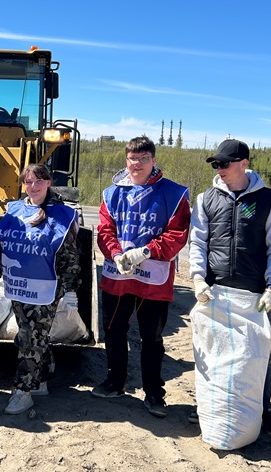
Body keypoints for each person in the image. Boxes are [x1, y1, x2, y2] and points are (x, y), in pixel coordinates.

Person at [188, 138, 271, 438]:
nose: (219, 169)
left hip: (253, 294)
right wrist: (197, 278)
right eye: (216, 164)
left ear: (244, 163)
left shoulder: (269, 200)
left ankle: (264, 410)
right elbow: (198, 242)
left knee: (257, 354)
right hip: (215, 291)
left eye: (224, 164)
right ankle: (210, 407)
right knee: (211, 352)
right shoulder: (206, 199)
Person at [92, 135, 190, 418]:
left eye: (143, 159)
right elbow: (105, 230)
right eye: (133, 159)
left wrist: (145, 252)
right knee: (113, 330)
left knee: (151, 337)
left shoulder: (172, 194)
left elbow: (177, 235)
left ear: (153, 160)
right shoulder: (113, 193)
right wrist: (115, 253)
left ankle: (154, 393)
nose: (137, 164)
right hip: (118, 274)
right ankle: (115, 381)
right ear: (126, 160)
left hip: (153, 278)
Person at [0, 164, 81, 414]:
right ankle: (42, 380)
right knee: (34, 336)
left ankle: (23, 390)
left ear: (49, 183)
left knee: (29, 338)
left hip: (45, 289)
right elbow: (2, 247)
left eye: (39, 181)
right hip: (18, 287)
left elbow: (69, 257)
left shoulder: (62, 215)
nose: (33, 186)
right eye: (28, 182)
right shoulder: (15, 209)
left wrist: (69, 290)